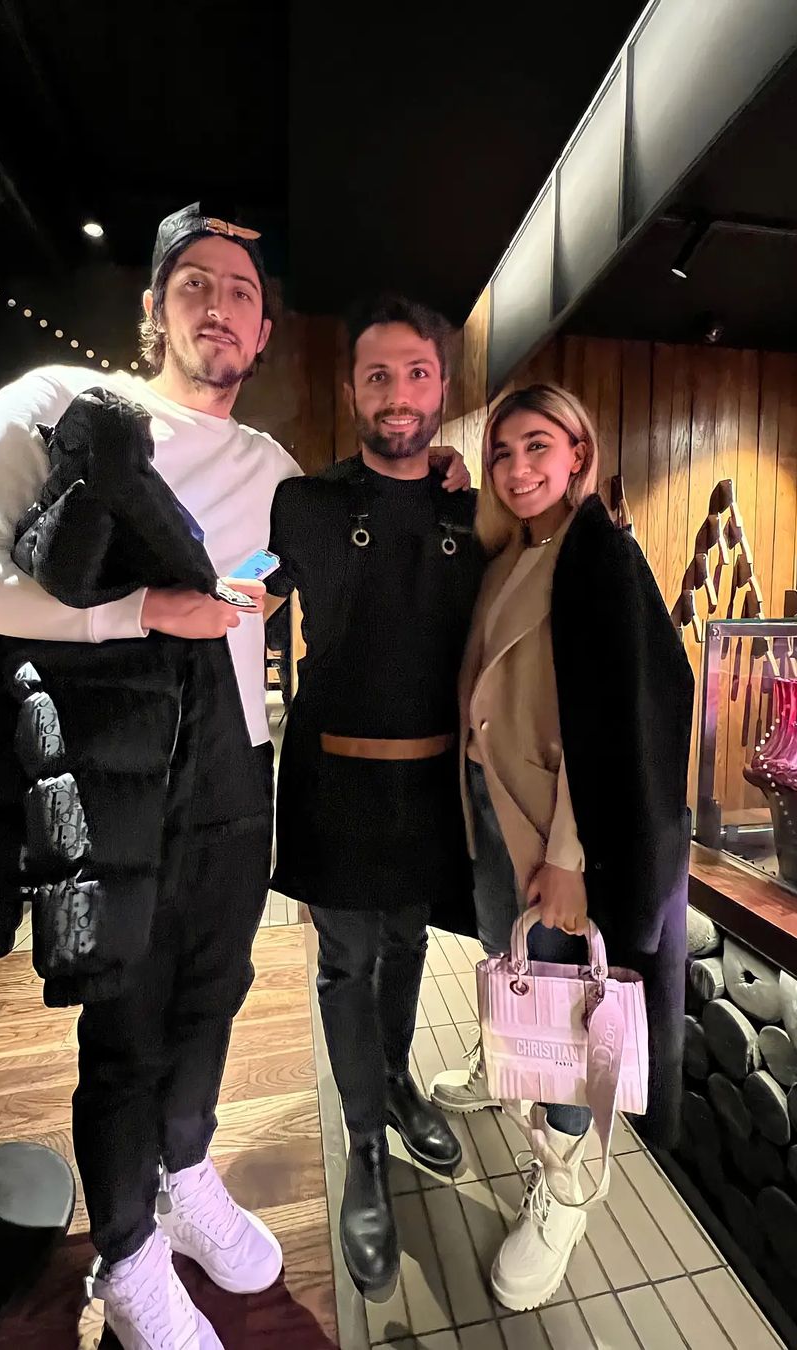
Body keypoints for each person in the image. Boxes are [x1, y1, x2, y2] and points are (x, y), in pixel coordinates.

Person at [0, 205, 301, 1350]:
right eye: (195, 282)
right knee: (124, 1024)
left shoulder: (275, 466)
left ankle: (185, 1170)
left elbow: (303, 557)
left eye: (240, 290)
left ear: (264, 330)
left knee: (215, 992)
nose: (218, 304)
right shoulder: (66, 405)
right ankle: (126, 1256)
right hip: (114, 771)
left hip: (238, 768)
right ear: (154, 309)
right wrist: (137, 612)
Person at [430, 383, 694, 1312]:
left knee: (573, 1008)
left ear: (579, 452)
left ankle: (565, 1186)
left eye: (537, 446)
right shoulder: (516, 551)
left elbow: (616, 720)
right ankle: (503, 1055)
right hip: (494, 803)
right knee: (517, 965)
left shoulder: (599, 555)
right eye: (502, 453)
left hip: (557, 826)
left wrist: (574, 857)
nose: (517, 469)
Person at [265, 295, 484, 1296]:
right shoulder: (304, 505)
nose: (398, 394)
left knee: (409, 942)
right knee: (346, 962)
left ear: (443, 387)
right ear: (353, 389)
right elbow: (242, 593)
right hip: (335, 778)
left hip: (434, 780)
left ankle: (395, 1083)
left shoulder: (471, 512)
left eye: (417, 374)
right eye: (378, 376)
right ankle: (363, 1150)